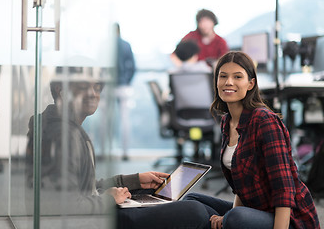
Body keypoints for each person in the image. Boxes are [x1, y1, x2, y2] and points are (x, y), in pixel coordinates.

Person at [26, 67, 208, 229]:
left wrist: (134, 180)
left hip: (93, 212)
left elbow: (84, 188)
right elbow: (61, 204)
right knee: (194, 210)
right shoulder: (63, 136)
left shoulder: (64, 127)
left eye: (96, 87)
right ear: (61, 91)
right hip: (91, 221)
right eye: (83, 87)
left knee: (182, 198)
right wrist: (108, 200)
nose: (92, 94)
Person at [183, 51, 320, 229]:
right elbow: (242, 185)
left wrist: (230, 218)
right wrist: (229, 217)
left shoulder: (264, 120)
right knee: (193, 201)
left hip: (288, 219)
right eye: (223, 76)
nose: (228, 82)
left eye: (237, 76)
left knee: (235, 218)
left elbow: (284, 189)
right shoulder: (227, 121)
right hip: (255, 208)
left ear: (250, 84)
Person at [115, 23, 136, 160]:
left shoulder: (105, 45)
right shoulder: (125, 45)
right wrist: (127, 80)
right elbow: (133, 66)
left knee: (105, 121)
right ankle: (125, 152)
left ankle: (104, 152)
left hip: (107, 87)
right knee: (124, 120)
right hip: (123, 86)